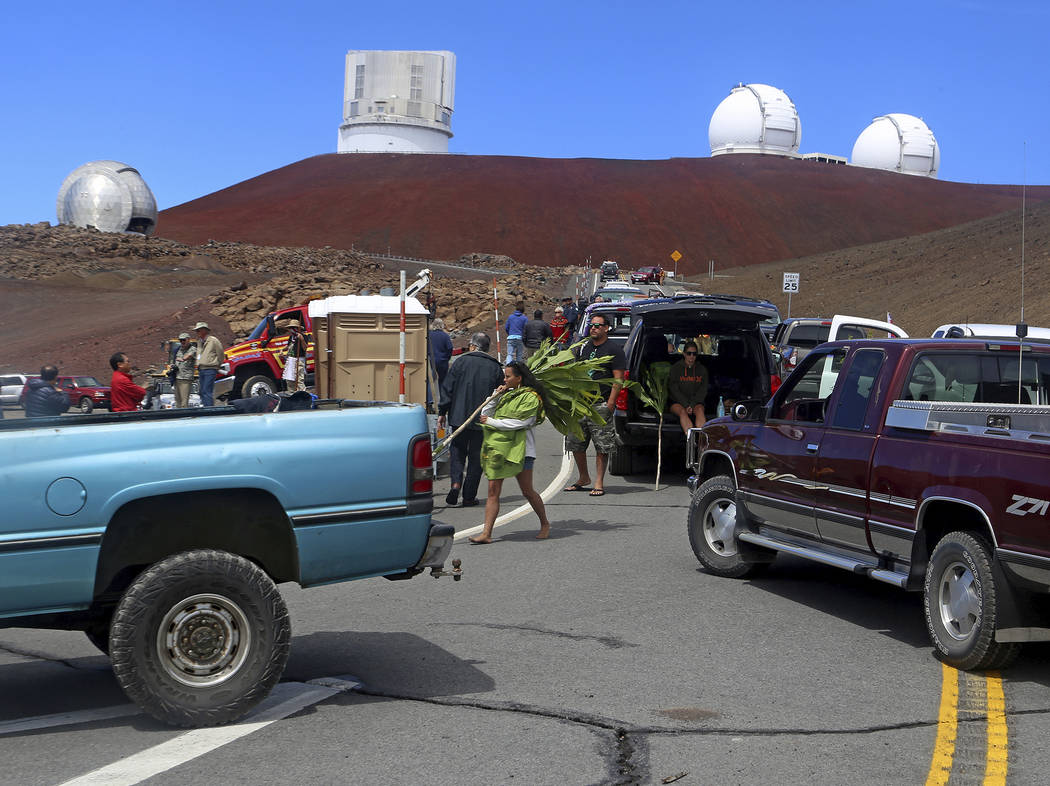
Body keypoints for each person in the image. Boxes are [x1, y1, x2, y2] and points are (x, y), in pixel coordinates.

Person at [469, 361, 551, 544]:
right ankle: (486, 533)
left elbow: (521, 423)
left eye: (508, 376)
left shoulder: (531, 397)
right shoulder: (507, 395)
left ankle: (544, 523)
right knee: (492, 490)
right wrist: (495, 396)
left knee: (527, 491)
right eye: (504, 376)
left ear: (519, 378)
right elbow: (486, 412)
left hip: (521, 450)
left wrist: (492, 422)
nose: (504, 380)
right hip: (499, 449)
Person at [563, 312, 626, 497]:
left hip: (600, 404)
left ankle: (599, 481)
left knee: (602, 446)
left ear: (606, 328)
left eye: (598, 325)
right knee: (575, 442)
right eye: (592, 325)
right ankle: (583, 478)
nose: (593, 328)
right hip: (581, 403)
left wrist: (611, 403)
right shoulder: (583, 347)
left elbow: (619, 378)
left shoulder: (614, 350)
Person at [438, 333, 504, 508]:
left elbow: (448, 389)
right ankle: (469, 496)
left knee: (458, 452)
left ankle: (455, 484)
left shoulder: (460, 362)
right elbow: (499, 396)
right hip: (482, 420)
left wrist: (442, 411)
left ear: (474, 346)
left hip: (459, 417)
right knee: (476, 458)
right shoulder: (495, 367)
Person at [668, 341, 709, 434]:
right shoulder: (676, 368)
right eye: (689, 353)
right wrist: (686, 405)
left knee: (699, 411)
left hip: (696, 403)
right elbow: (674, 389)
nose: (691, 356)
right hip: (677, 403)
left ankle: (702, 441)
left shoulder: (702, 370)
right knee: (682, 412)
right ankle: (691, 440)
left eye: (694, 354)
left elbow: (703, 390)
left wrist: (692, 404)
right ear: (684, 354)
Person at [194, 321, 224, 406]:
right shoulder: (199, 342)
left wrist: (217, 365)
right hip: (201, 369)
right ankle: (205, 409)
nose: (197, 332)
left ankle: (209, 410)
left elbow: (220, 354)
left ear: (205, 330)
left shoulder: (214, 341)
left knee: (207, 391)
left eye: (198, 330)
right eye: (197, 331)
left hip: (210, 369)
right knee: (202, 391)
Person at [281, 320, 308, 393]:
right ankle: (292, 394)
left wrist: (301, 339)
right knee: (290, 380)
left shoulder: (304, 336)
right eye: (291, 328)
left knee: (299, 380)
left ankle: (303, 395)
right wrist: (282, 349)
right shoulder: (291, 337)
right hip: (291, 360)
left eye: (294, 328)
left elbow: (305, 348)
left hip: (299, 360)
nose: (292, 330)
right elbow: (288, 345)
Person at [173, 332, 197, 408]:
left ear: (188, 340)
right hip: (177, 377)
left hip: (185, 378)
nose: (182, 342)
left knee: (184, 401)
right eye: (180, 340)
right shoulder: (179, 350)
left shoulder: (193, 349)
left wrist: (181, 359)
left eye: (184, 340)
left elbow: (187, 356)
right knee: (177, 401)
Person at [429, 318, 453, 390]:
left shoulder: (429, 335)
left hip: (430, 360)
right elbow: (450, 348)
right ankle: (442, 397)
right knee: (443, 380)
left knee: (429, 380)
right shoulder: (445, 336)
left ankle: (430, 398)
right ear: (442, 325)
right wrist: (447, 357)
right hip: (442, 361)